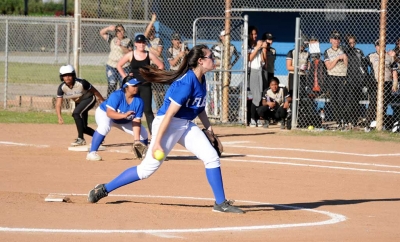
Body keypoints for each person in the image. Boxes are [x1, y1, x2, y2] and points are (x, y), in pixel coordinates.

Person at [87, 44, 244, 214]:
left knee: (211, 157)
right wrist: (155, 144)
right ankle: (104, 188)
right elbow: (168, 116)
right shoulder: (186, 83)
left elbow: (199, 108)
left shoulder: (201, 79)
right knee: (146, 170)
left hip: (184, 124)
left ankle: (220, 203)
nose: (213, 59)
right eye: (210, 57)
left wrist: (210, 131)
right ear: (200, 61)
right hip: (167, 124)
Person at [86, 78, 149, 161]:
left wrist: (137, 140)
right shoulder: (117, 95)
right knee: (104, 126)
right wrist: (124, 115)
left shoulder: (139, 101)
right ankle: (91, 153)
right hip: (105, 113)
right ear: (126, 87)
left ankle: (143, 154)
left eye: (137, 85)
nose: (136, 87)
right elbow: (109, 113)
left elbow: (136, 121)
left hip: (123, 120)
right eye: (133, 85)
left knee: (143, 132)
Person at [117, 34, 164, 135]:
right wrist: (125, 77)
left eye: (143, 42)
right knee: (133, 109)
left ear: (146, 43)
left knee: (147, 110)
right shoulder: (131, 54)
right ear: (135, 44)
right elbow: (119, 65)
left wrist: (152, 76)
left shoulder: (149, 54)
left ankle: (154, 134)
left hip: (145, 85)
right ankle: (136, 134)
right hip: (134, 86)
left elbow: (161, 65)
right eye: (139, 42)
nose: (141, 44)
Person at [56, 65, 105, 146]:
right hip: (79, 102)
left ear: (73, 75)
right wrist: (59, 116)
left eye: (69, 75)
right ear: (61, 77)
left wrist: (102, 100)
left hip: (89, 99)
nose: (67, 77)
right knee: (83, 127)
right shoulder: (62, 87)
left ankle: (80, 139)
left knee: (76, 113)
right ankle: (99, 137)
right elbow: (58, 104)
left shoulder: (82, 83)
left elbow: (95, 91)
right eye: (64, 75)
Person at [366, 39, 398, 128]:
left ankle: (380, 124)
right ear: (375, 46)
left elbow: (394, 70)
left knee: (384, 104)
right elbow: (363, 65)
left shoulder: (389, 56)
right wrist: (366, 79)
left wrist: (395, 82)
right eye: (378, 45)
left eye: (383, 45)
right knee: (373, 103)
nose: (380, 47)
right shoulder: (371, 56)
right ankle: (369, 124)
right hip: (374, 83)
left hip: (387, 83)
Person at [99, 24, 133, 98]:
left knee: (123, 85)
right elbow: (101, 33)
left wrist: (121, 45)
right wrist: (108, 28)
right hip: (112, 65)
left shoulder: (128, 41)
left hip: (124, 66)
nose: (120, 32)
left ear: (124, 31)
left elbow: (129, 52)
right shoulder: (112, 39)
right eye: (118, 31)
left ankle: (122, 102)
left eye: (121, 30)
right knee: (112, 84)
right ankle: (110, 101)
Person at [323, 30, 348, 126]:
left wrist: (344, 57)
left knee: (342, 99)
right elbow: (329, 66)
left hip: (342, 76)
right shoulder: (327, 52)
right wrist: (337, 58)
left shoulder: (344, 50)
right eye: (334, 39)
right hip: (332, 77)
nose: (336, 41)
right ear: (330, 40)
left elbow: (347, 65)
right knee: (333, 100)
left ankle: (343, 120)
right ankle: (338, 120)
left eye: (338, 39)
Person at [343, 34, 369, 126]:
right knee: (348, 101)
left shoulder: (359, 51)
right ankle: (346, 120)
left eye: (354, 43)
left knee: (356, 101)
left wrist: (364, 78)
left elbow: (363, 66)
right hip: (348, 79)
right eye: (350, 43)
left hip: (358, 80)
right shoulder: (345, 51)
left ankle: (354, 120)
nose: (352, 45)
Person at [247, 26, 267, 127]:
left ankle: (258, 117)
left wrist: (263, 49)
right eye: (253, 34)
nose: (255, 36)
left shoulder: (258, 44)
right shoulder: (247, 45)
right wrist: (258, 47)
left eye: (255, 34)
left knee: (260, 94)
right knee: (254, 96)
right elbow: (249, 58)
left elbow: (264, 61)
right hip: (252, 71)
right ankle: (252, 118)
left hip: (260, 70)